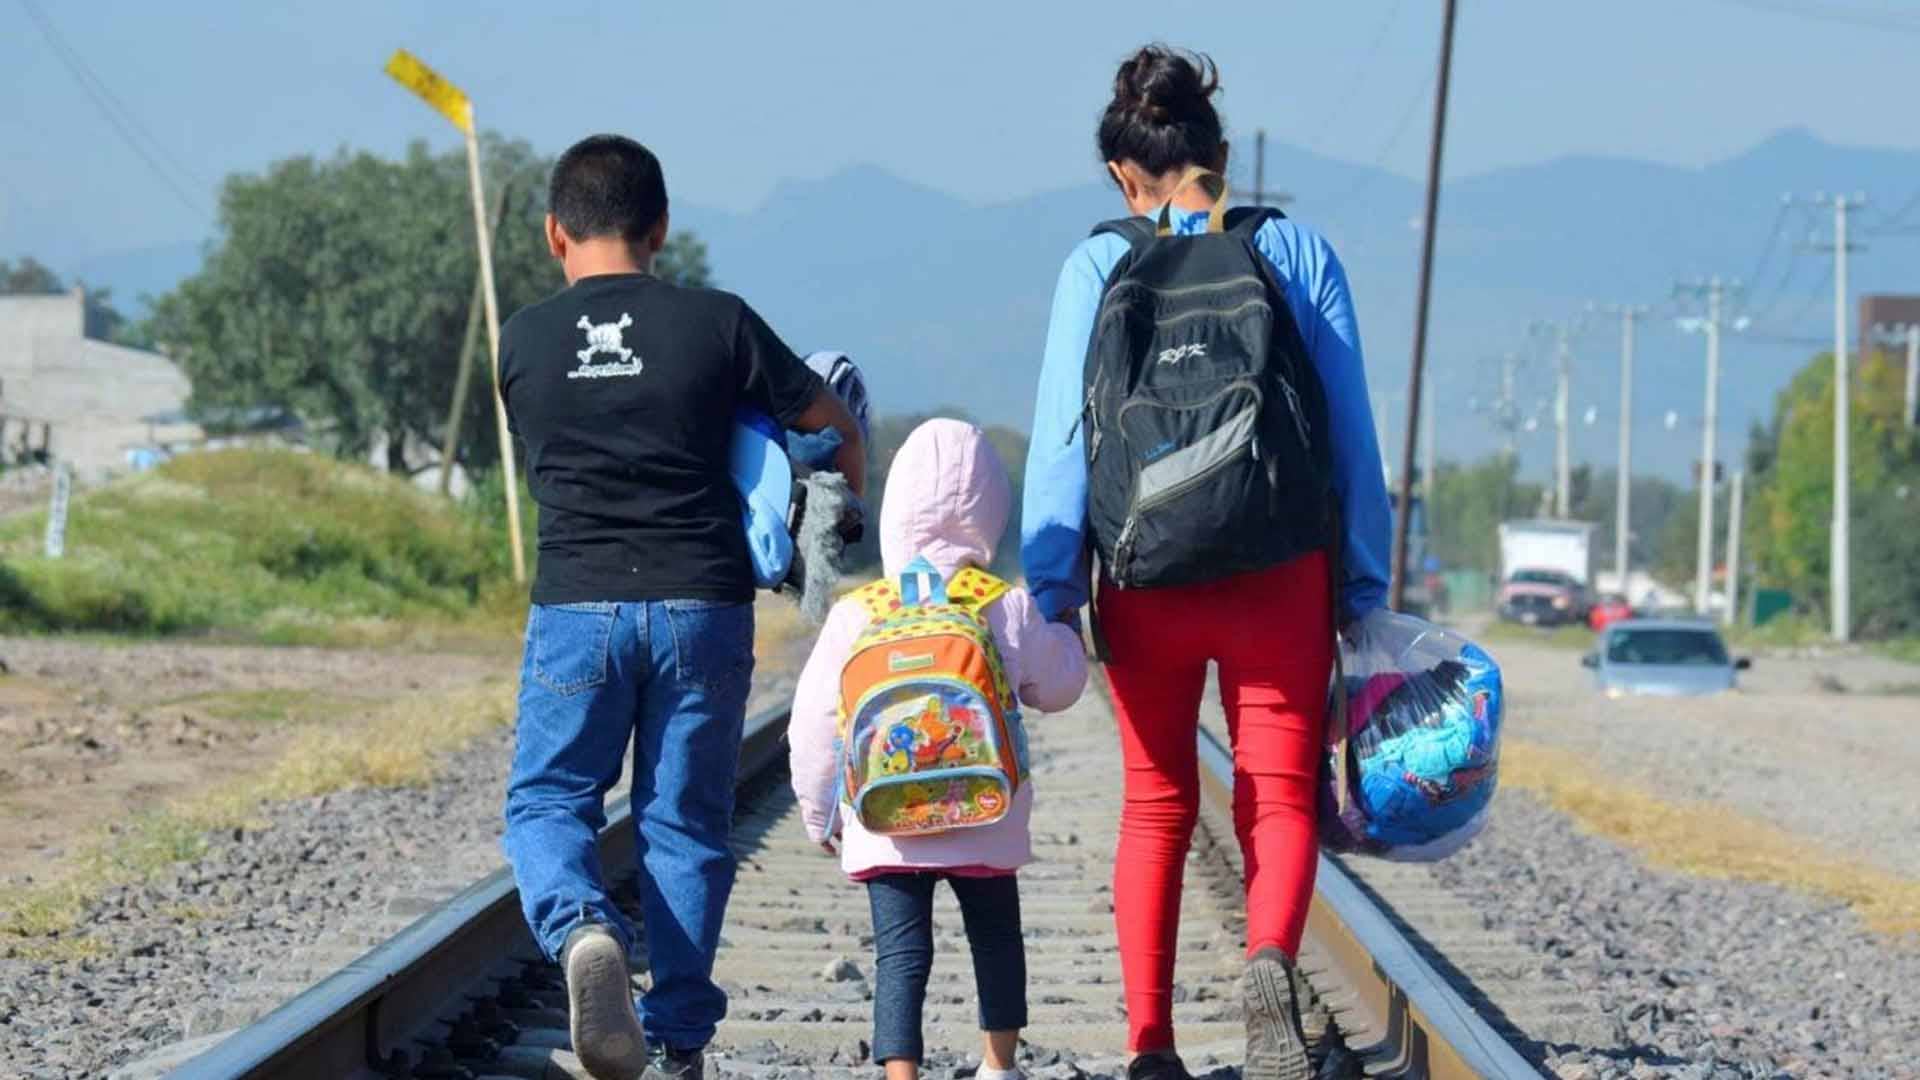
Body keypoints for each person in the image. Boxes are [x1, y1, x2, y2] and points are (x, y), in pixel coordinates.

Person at [1020, 46, 1392, 1080]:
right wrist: (1362, 583)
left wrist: (1055, 589)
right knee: (1279, 793)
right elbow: (1351, 434)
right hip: (1280, 568)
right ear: (1221, 155)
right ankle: (1268, 960)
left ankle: (1151, 1043)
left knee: (1155, 804)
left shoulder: (1096, 265)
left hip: (1146, 576)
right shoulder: (1296, 251)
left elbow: (1063, 443)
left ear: (1120, 175)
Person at [498, 134, 866, 1080]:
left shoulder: (524, 339)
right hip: (701, 602)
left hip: (577, 605)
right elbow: (830, 424)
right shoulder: (718, 322)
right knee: (684, 822)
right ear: (660, 228)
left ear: (554, 233)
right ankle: (680, 1043)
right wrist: (844, 515)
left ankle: (583, 929)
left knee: (549, 801)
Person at [788, 418, 1089, 1080]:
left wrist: (819, 814)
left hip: (886, 822)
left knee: (900, 955)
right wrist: (1067, 632)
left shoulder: (861, 610)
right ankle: (998, 1066)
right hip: (986, 814)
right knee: (996, 939)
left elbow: (813, 724)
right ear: (991, 512)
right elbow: (1059, 686)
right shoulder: (1000, 604)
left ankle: (901, 1075)